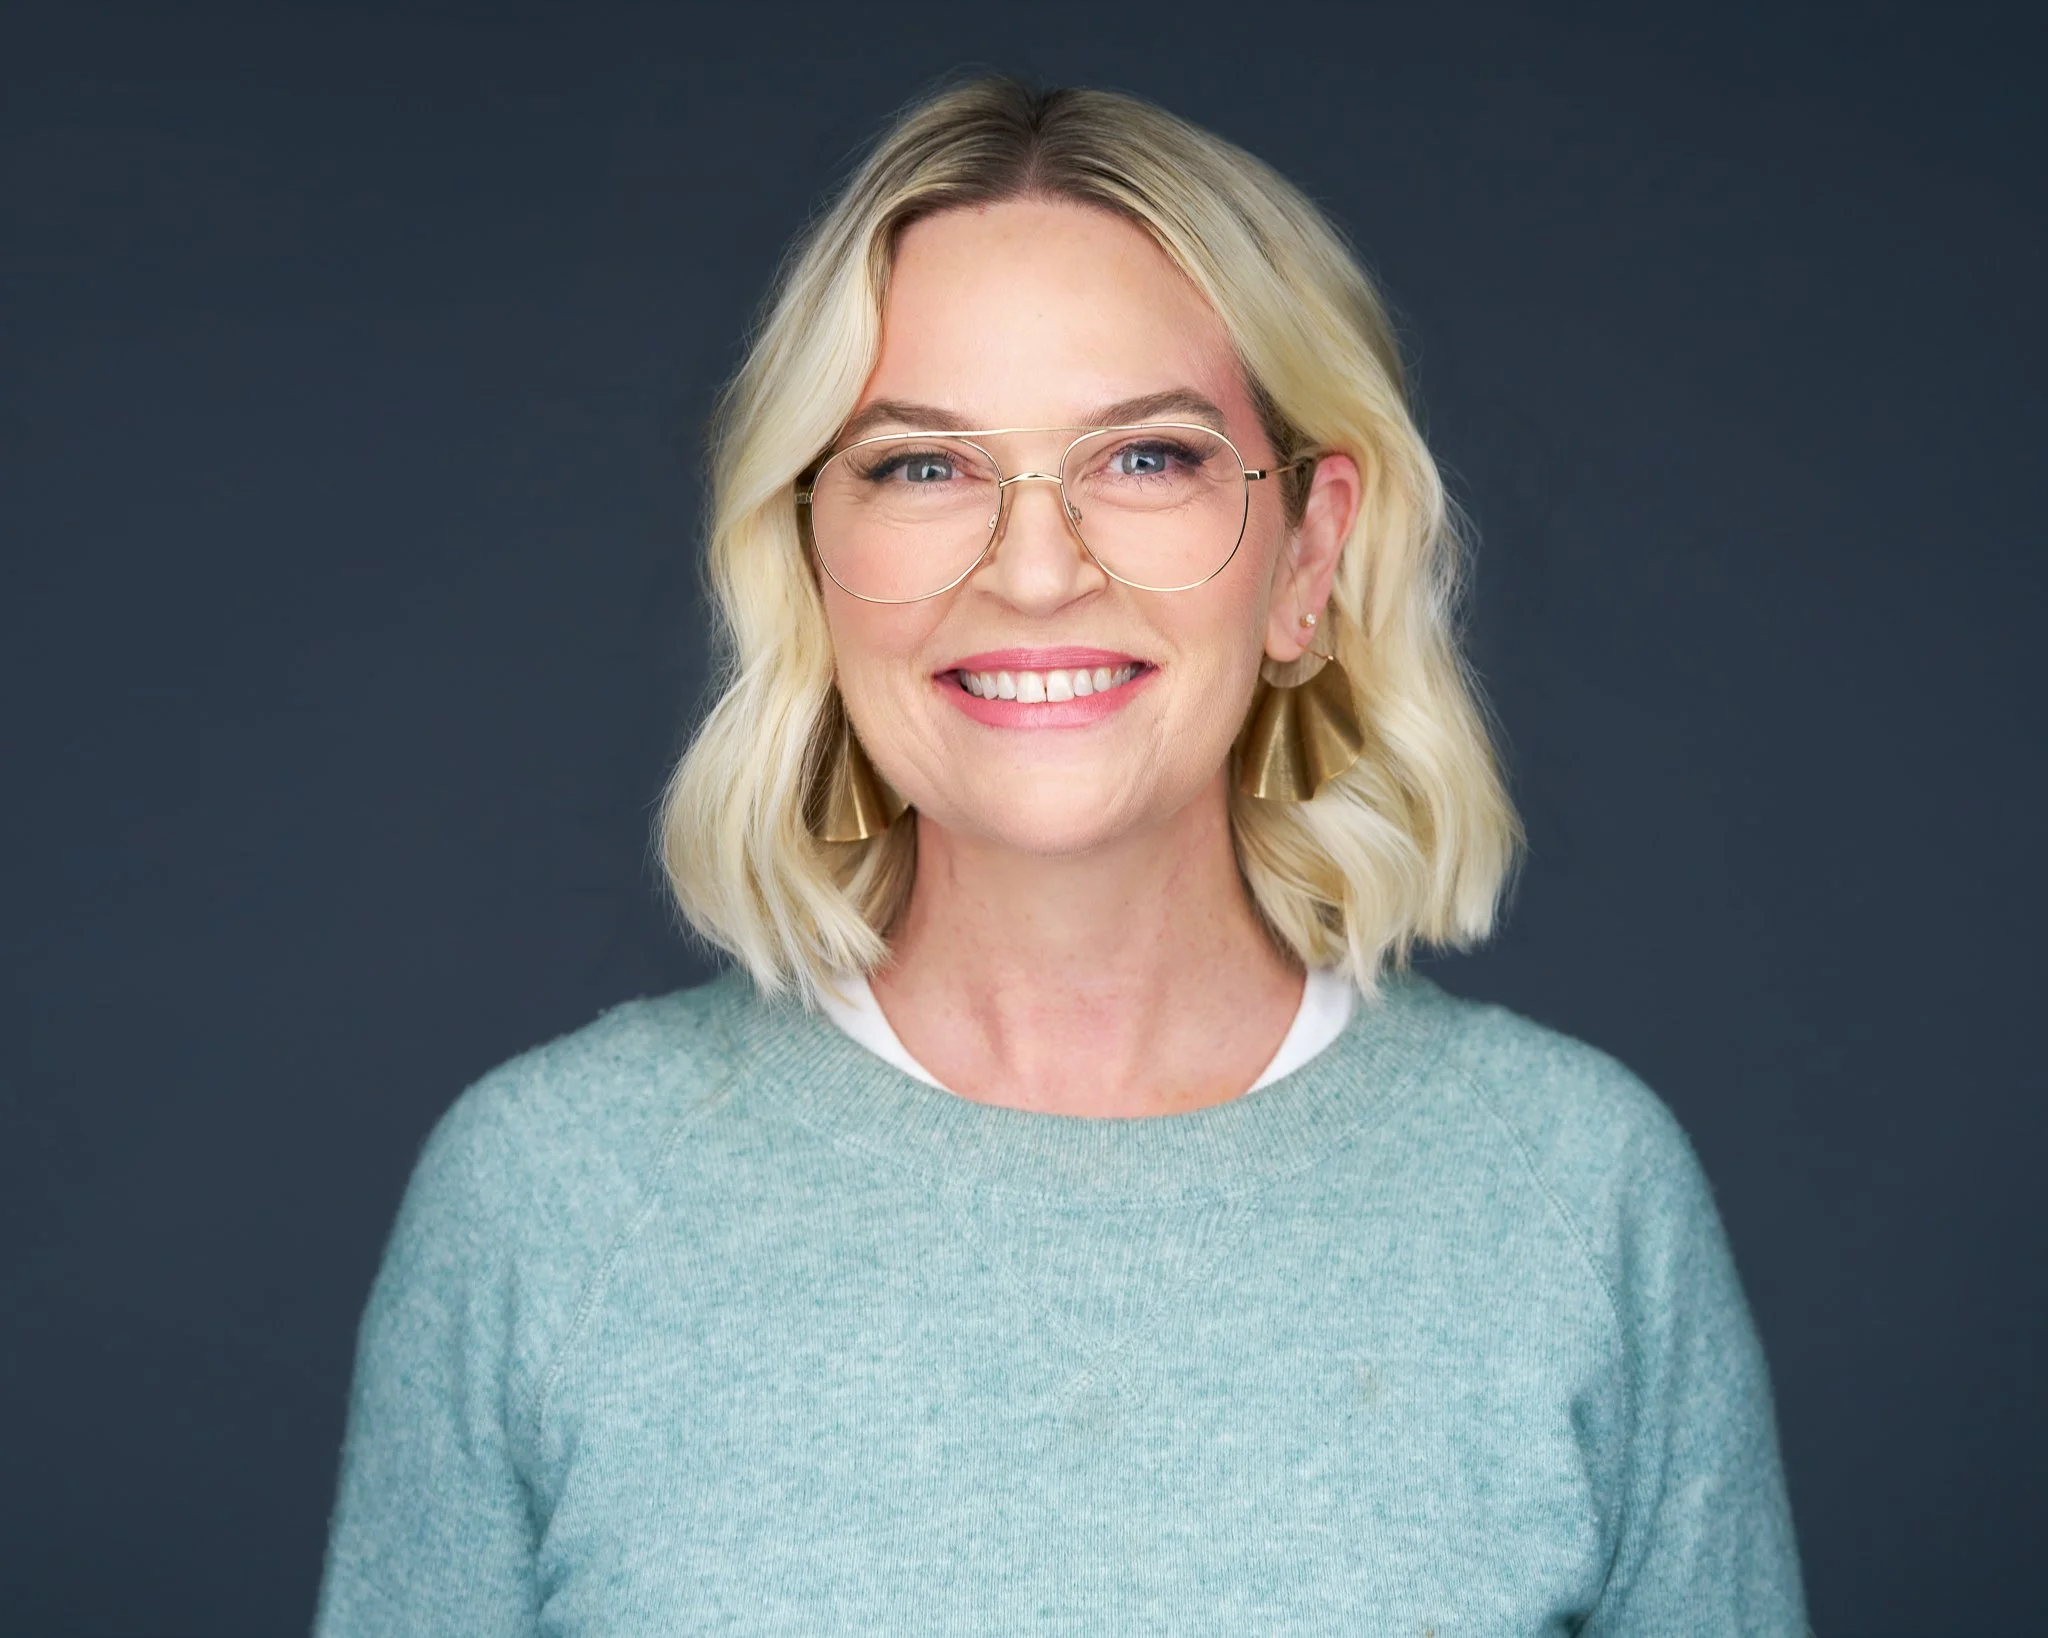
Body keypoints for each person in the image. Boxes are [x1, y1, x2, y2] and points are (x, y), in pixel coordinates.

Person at [313, 77, 1807, 1635]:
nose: (1035, 569)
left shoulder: (1574, 1194)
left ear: (1308, 553)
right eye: (923, 466)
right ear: (811, 556)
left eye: (1145, 457)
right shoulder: (548, 1199)